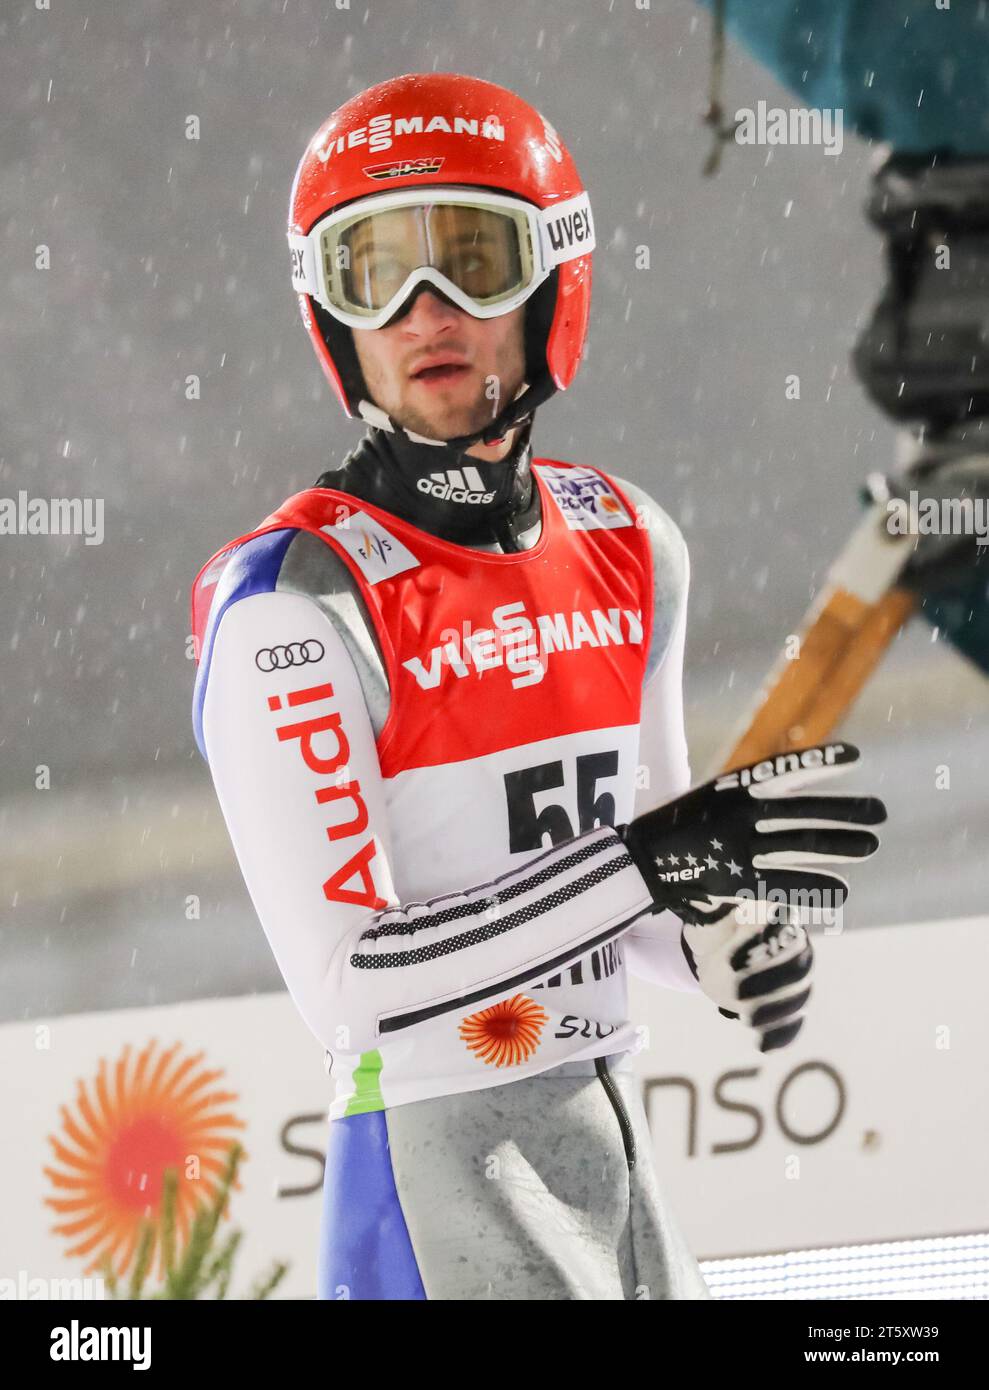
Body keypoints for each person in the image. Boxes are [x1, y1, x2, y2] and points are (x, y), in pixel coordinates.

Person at [190, 72, 885, 1301]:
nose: (424, 311)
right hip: (429, 1159)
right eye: (373, 273)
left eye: (471, 255)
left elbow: (647, 870)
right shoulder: (293, 603)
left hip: (614, 1143)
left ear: (556, 277)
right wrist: (648, 866)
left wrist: (716, 936)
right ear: (330, 315)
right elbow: (353, 988)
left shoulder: (625, 539)